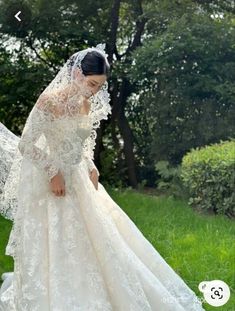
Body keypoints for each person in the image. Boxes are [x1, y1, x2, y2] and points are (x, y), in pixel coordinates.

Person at [0, 44, 206, 310]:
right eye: (92, 83)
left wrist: (90, 164)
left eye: (99, 86)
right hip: (54, 185)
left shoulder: (84, 104)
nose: (94, 91)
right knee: (58, 242)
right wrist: (53, 172)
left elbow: (80, 143)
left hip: (80, 182)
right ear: (76, 74)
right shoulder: (48, 102)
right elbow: (26, 145)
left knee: (101, 243)